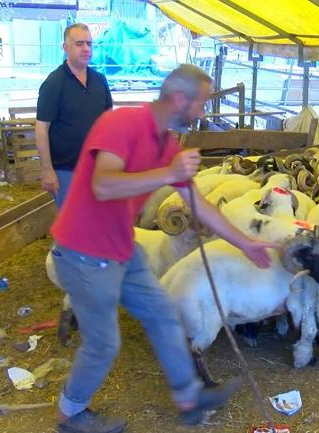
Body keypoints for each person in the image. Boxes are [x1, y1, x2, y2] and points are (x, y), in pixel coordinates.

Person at [49, 64, 276, 433]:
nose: (203, 113)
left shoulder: (166, 144)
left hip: (123, 246)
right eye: (200, 103)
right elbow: (103, 185)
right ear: (179, 98)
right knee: (104, 343)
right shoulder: (121, 123)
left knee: (164, 313)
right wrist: (169, 174)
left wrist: (246, 243)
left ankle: (189, 398)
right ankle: (69, 415)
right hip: (84, 250)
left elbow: (198, 204)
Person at [35, 23, 112, 208]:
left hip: (97, 168)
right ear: (65, 47)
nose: (86, 49)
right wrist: (47, 170)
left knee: (96, 220)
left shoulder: (99, 81)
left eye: (89, 43)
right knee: (72, 226)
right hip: (66, 170)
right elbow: (41, 128)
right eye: (79, 44)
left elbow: (110, 123)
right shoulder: (54, 83)